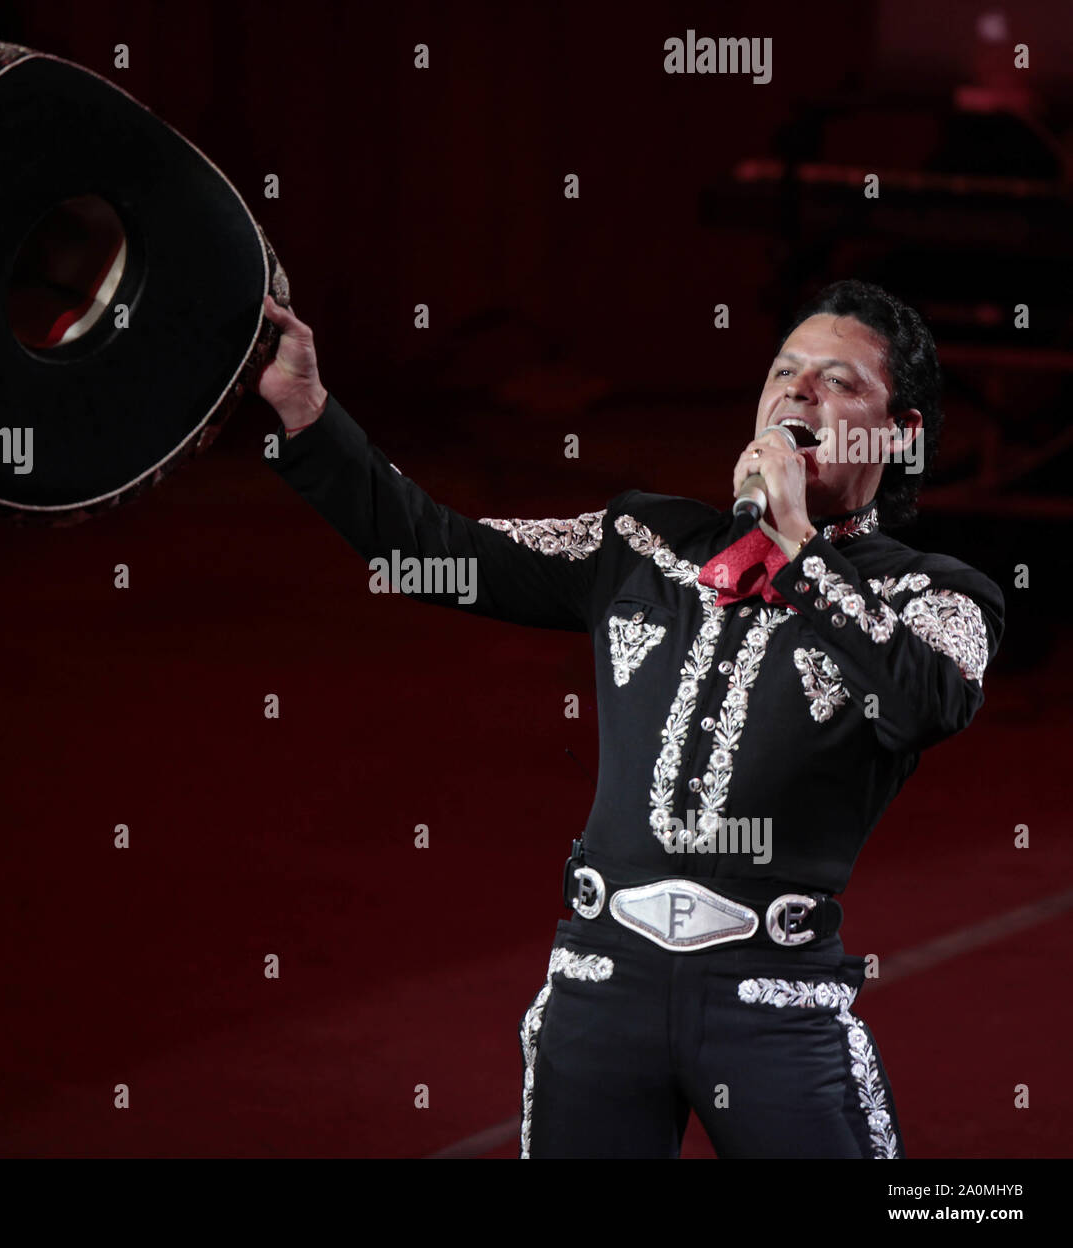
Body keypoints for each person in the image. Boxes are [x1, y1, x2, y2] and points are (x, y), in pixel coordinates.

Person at [252, 279, 1004, 1159]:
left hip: (773, 1003)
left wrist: (796, 545)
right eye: (784, 371)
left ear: (900, 435)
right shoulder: (641, 543)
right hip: (603, 983)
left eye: (840, 382)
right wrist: (307, 410)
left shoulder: (935, 593)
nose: (798, 391)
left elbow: (923, 702)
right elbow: (430, 550)